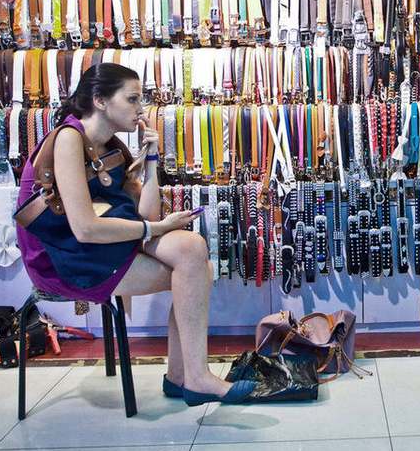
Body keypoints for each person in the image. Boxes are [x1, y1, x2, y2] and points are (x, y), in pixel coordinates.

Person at [15, 64, 255, 406]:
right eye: (131, 98)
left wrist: (153, 160)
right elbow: (85, 229)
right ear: (99, 100)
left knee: (193, 250)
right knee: (195, 269)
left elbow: (145, 215)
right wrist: (155, 230)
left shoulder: (109, 146)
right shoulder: (69, 139)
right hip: (62, 258)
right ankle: (192, 378)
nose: (141, 107)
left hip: (97, 245)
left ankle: (184, 376)